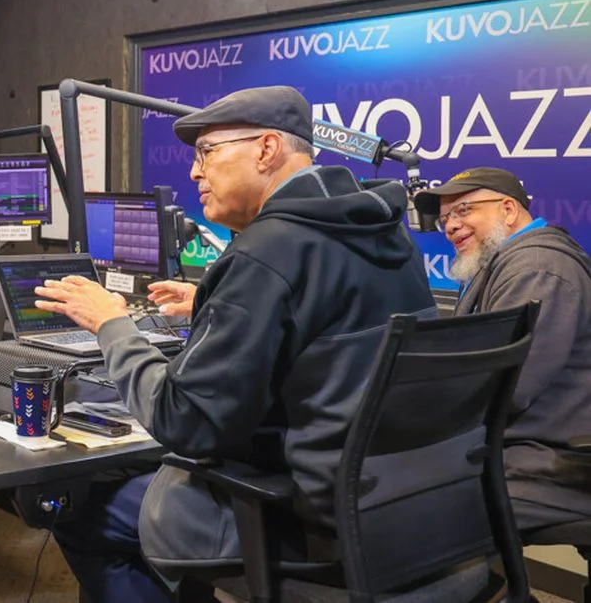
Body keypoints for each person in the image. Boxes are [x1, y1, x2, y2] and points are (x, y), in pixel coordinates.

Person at [35, 86, 436, 603]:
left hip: (295, 515)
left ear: (267, 149)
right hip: (404, 504)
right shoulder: (380, 230)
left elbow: (185, 423)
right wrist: (213, 298)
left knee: (81, 509)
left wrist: (113, 324)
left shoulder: (268, 253)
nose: (195, 173)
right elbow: (326, 328)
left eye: (207, 153)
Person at [413, 167, 591, 531]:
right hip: (523, 445)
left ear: (509, 210)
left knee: (411, 504)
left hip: (559, 461)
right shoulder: (498, 264)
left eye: (464, 210)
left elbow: (507, 387)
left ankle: (486, 590)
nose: (449, 226)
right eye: (445, 217)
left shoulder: (537, 269)